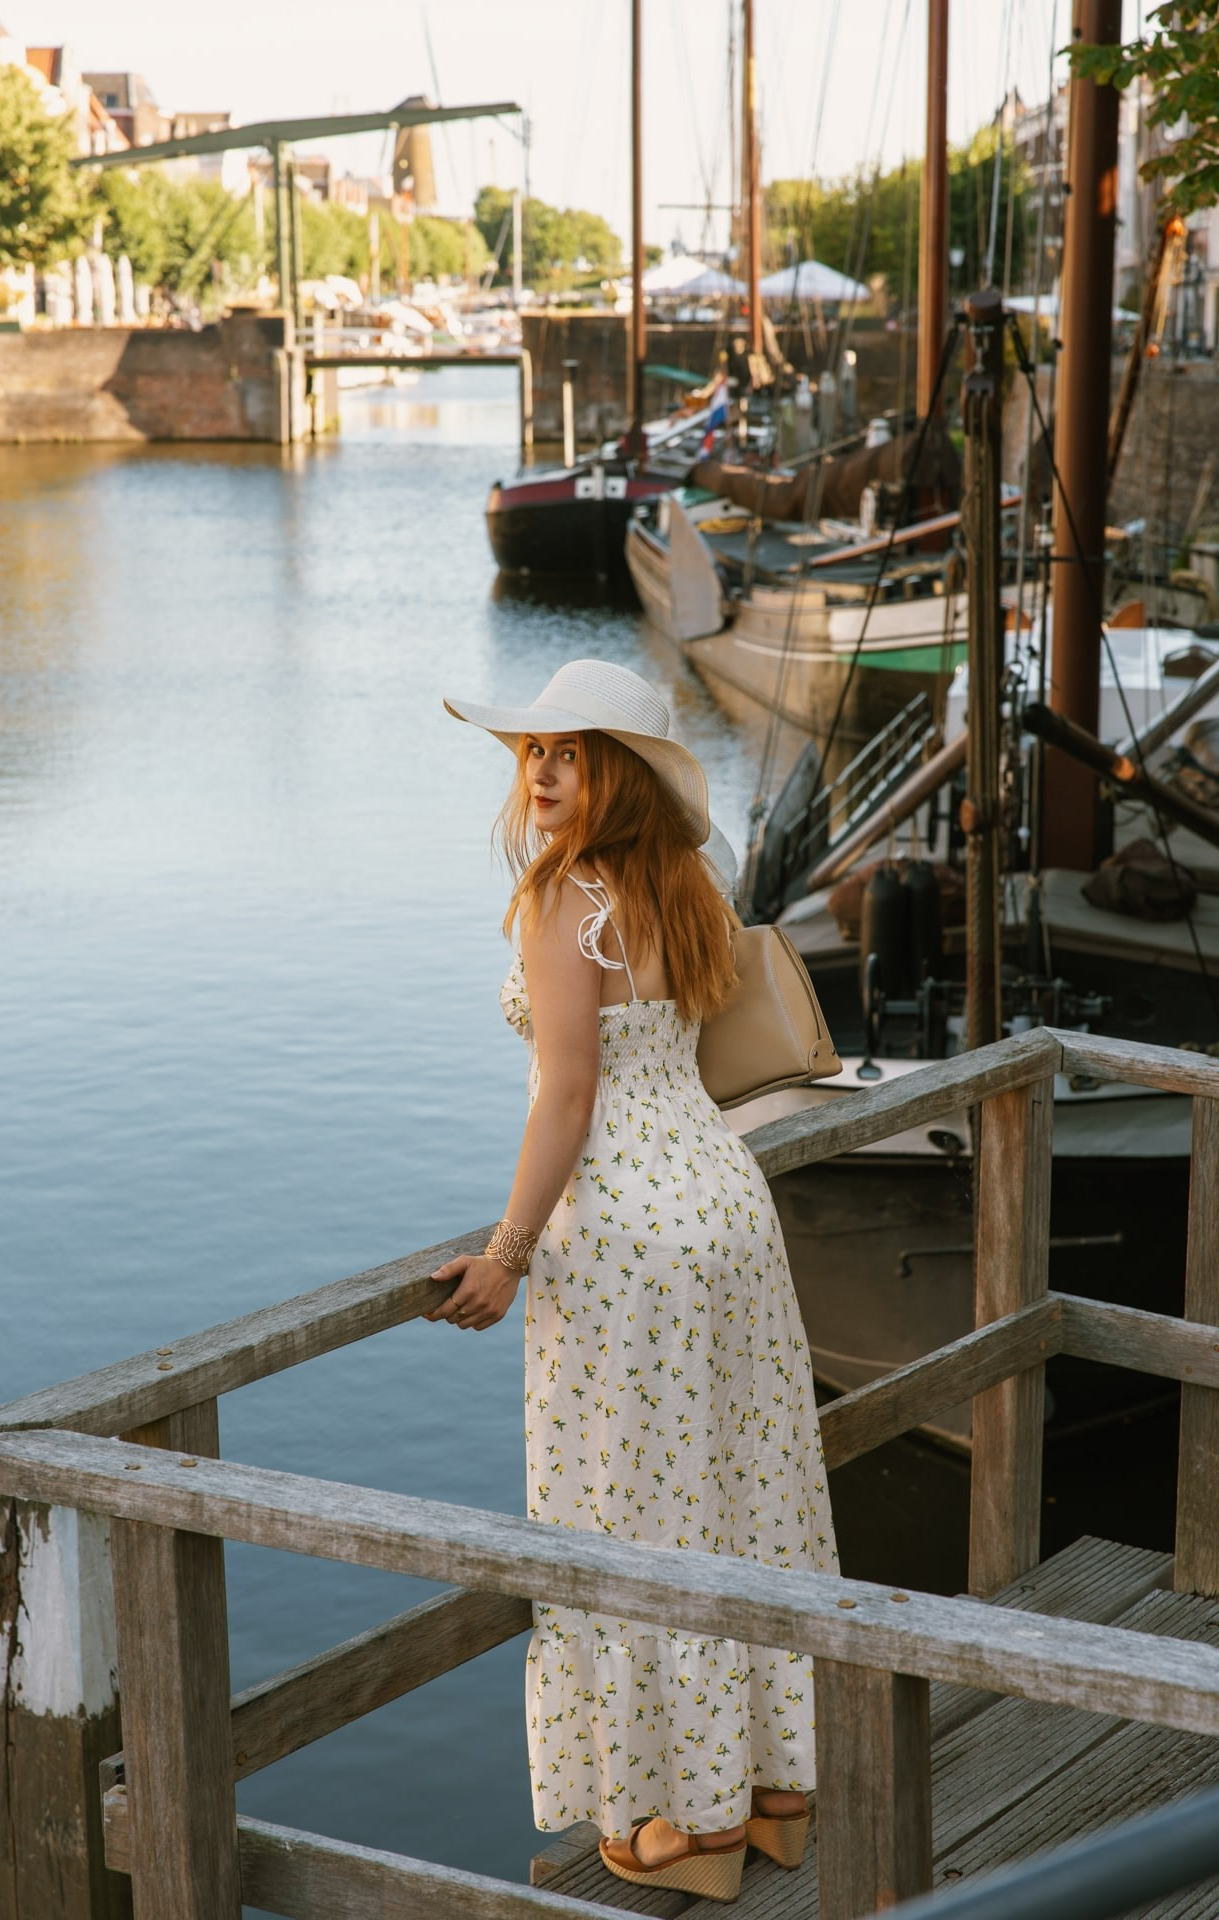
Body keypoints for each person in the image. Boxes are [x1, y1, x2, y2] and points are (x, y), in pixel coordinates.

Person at [428, 658, 837, 1904]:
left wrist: (505, 1254)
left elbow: (567, 1094)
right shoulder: (683, 883)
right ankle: (770, 1795)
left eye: (568, 751)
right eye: (531, 753)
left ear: (618, 771)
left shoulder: (563, 901)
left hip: (624, 1236)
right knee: (742, 1485)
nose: (541, 774)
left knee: (622, 1512)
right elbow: (679, 1056)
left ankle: (681, 1828)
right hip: (723, 1206)